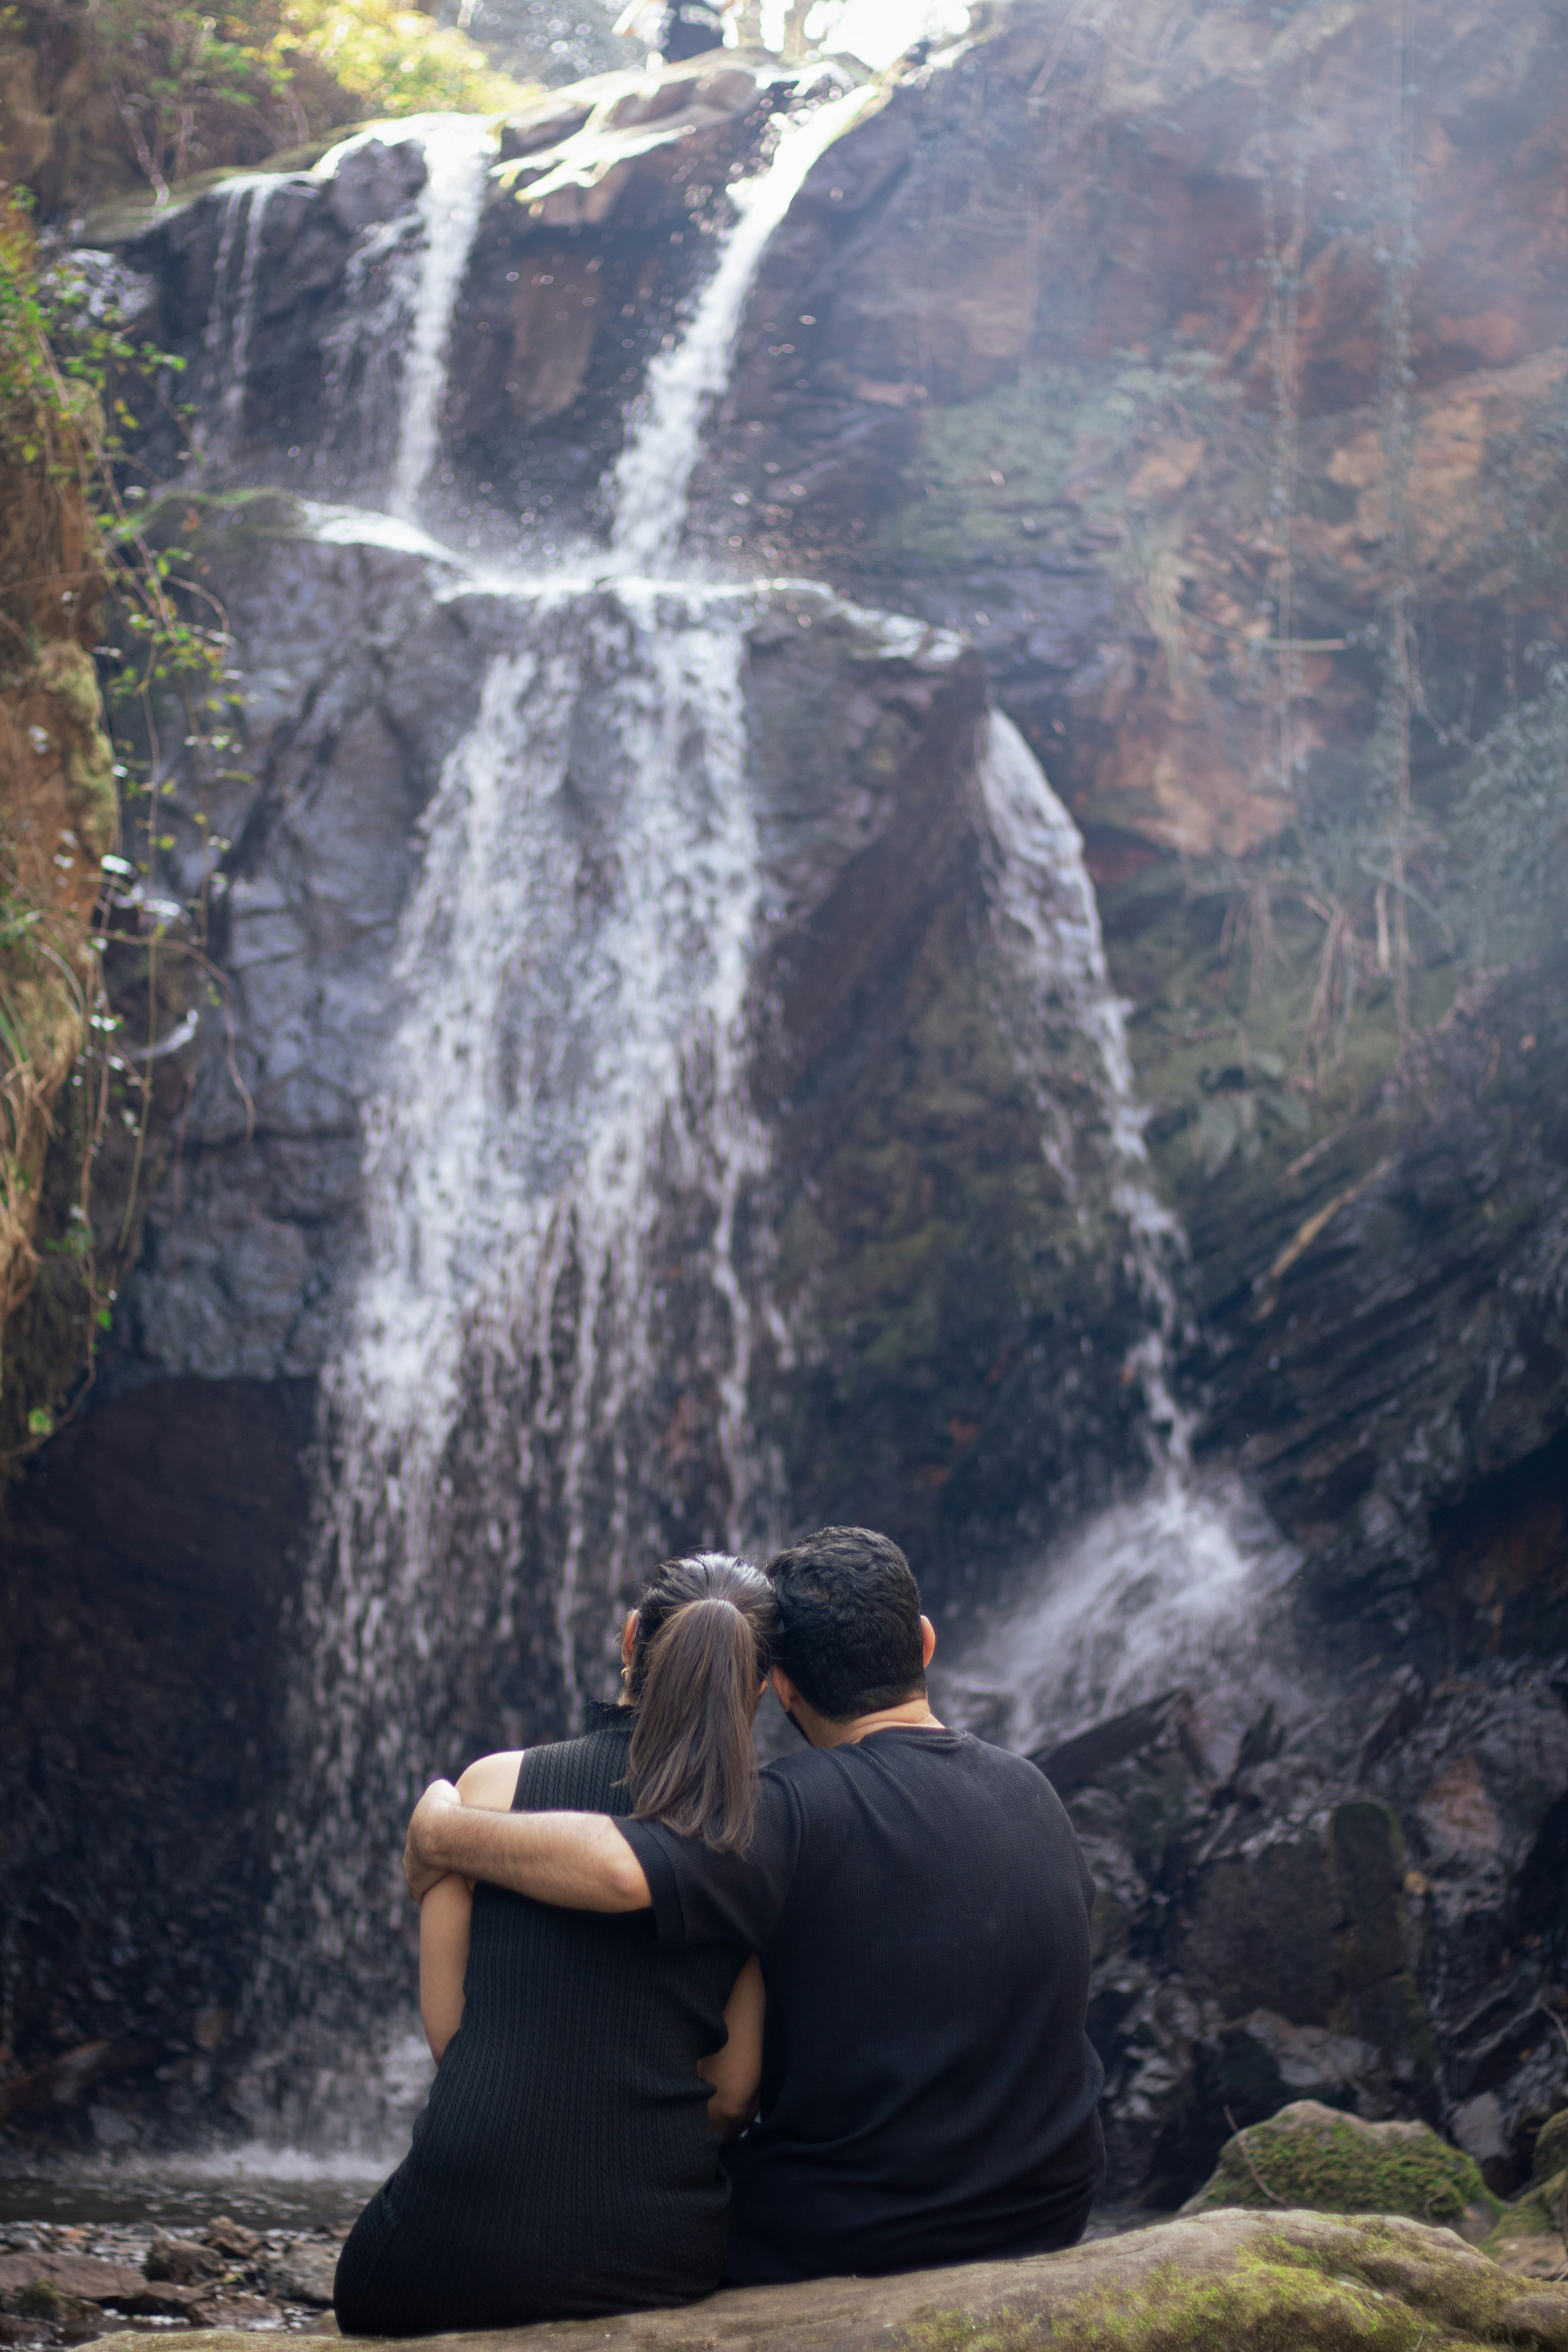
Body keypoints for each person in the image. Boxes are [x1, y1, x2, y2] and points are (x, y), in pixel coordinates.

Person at [403, 1525, 1106, 2287]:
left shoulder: (792, 1811)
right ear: (925, 1643)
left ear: (780, 1685)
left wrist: (444, 1833)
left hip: (857, 2239)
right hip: (1049, 2216)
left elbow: (619, 1869)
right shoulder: (1034, 1790)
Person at [334, 1553, 778, 2336]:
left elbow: (450, 2036)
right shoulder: (758, 1833)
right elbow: (735, 2092)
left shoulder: (486, 1790)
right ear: (761, 1684)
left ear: (630, 1638)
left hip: (437, 2256)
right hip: (656, 2252)